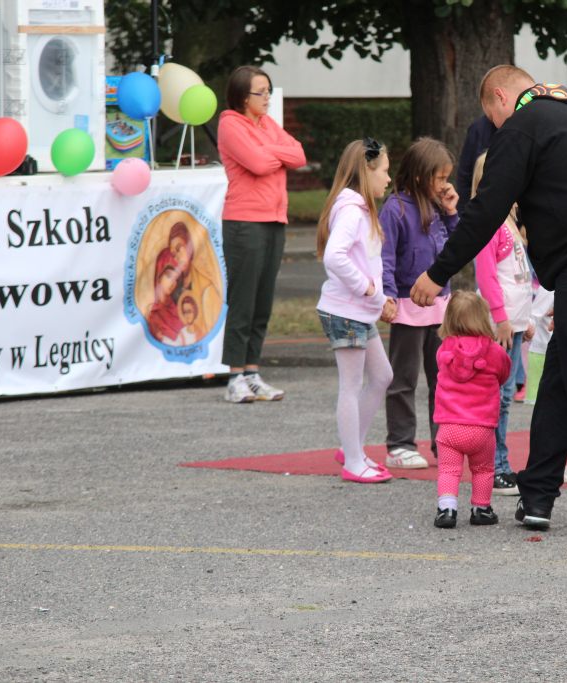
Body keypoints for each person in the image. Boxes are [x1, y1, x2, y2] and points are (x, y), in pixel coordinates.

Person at [410, 66, 567, 538]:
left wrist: (437, 272)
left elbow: (486, 208)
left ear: (500, 97)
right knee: (562, 381)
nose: (495, 127)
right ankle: (539, 494)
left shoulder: (523, 125)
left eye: (491, 116)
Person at [217, 65, 307, 403]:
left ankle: (252, 372)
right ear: (243, 97)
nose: (267, 97)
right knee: (243, 301)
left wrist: (270, 151)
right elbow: (257, 164)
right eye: (261, 92)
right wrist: (275, 154)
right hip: (244, 223)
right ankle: (235, 376)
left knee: (262, 301)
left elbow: (298, 155)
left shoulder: (267, 124)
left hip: (274, 220)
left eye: (269, 90)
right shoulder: (230, 124)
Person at [315, 138, 396, 484]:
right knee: (351, 385)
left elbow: (364, 262)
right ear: (366, 170)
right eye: (385, 171)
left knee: (382, 376)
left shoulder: (359, 208)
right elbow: (335, 257)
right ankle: (352, 459)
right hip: (346, 311)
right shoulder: (351, 210)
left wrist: (377, 298)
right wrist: (369, 290)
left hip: (358, 310)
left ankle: (353, 449)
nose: (388, 179)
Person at [380, 138, 460, 470]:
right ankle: (400, 445)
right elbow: (385, 256)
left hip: (440, 307)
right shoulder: (395, 209)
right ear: (418, 176)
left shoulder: (440, 207)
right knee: (404, 379)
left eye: (446, 178)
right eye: (439, 178)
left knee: (442, 380)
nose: (444, 185)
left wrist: (452, 213)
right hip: (406, 307)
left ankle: (444, 443)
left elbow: (456, 247)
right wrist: (387, 294)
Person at [470, 153, 534, 496]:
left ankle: (500, 464)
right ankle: (495, 466)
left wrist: (527, 319)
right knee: (498, 397)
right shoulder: (489, 222)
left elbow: (520, 275)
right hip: (502, 325)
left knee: (505, 396)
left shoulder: (509, 220)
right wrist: (501, 318)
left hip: (515, 322)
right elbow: (487, 276)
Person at [432, 291, 512, 528]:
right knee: (483, 469)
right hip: (482, 427)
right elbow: (504, 374)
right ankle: (481, 509)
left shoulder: (444, 350)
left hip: (449, 426)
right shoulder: (494, 351)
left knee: (448, 470)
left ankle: (447, 509)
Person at [168, 221, 222, 341]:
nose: (177, 257)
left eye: (179, 248)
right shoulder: (174, 288)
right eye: (173, 254)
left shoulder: (207, 289)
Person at [455, 115, 497, 214]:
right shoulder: (478, 130)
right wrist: (464, 213)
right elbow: (464, 176)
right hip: (479, 205)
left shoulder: (519, 126)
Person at [147, 249, 184, 345]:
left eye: (176, 279)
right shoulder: (150, 312)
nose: (173, 283)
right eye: (169, 276)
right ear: (159, 275)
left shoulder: (177, 311)